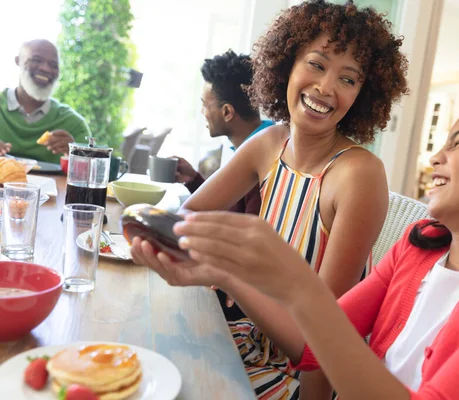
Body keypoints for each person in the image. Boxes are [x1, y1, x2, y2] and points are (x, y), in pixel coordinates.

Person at [166, 97, 459, 399]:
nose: (437, 157)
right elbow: (312, 347)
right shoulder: (420, 251)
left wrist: (301, 287)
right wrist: (224, 273)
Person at [131, 1, 409, 398]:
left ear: (363, 95)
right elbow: (186, 220)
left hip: (302, 376)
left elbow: (324, 340)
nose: (327, 87)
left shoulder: (358, 175)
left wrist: (227, 273)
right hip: (248, 340)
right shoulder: (269, 143)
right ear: (287, 65)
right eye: (316, 64)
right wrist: (149, 230)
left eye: (349, 79)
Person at [175, 50, 274, 320]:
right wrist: (195, 180)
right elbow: (233, 208)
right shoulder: (260, 137)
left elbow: (249, 233)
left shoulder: (265, 156)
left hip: (246, 300)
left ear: (227, 112)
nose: (203, 112)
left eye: (205, 104)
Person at [0, 39, 90, 163]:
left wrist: (76, 153)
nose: (45, 69)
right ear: (18, 61)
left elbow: (95, 172)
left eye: (53, 65)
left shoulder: (73, 124)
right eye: (36, 60)